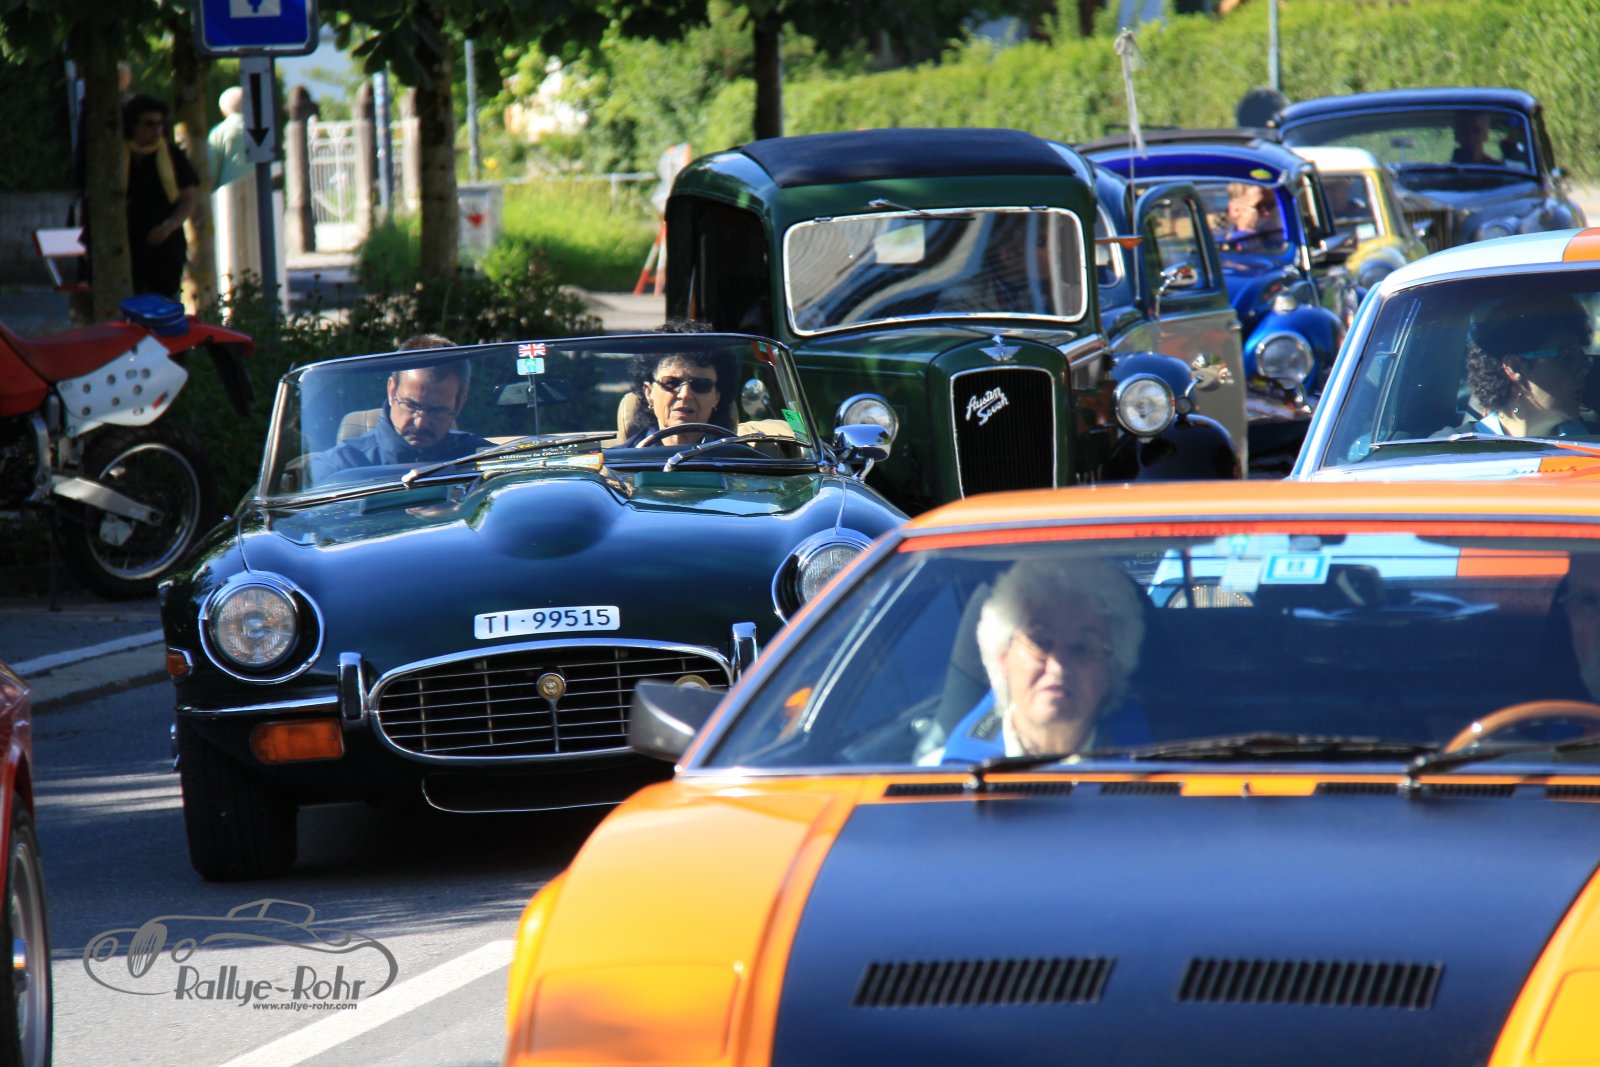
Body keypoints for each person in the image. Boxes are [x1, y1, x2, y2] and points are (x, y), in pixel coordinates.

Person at [930, 558, 1147, 762]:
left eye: (1082, 648)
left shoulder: (1154, 767)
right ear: (1004, 658)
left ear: (1110, 672)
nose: (1058, 667)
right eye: (1041, 643)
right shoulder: (946, 776)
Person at [306, 336, 492, 483]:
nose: (420, 423)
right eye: (411, 405)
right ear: (391, 390)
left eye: (437, 411)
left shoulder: (482, 460)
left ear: (459, 404)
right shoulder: (338, 466)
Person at [1463, 296, 1595, 438]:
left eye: (1582, 359)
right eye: (1566, 357)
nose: (1583, 371)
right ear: (1515, 367)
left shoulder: (1593, 442)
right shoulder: (1455, 447)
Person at [123, 94, 199, 300]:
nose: (156, 129)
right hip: (127, 244)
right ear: (133, 127)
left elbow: (188, 198)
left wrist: (168, 227)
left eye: (160, 124)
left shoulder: (172, 155)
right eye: (149, 124)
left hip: (165, 245)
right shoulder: (119, 155)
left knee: (164, 303)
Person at [621, 319, 739, 445]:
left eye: (701, 385)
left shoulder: (741, 456)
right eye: (671, 383)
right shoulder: (620, 457)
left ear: (716, 397)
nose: (685, 394)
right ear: (649, 393)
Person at [1220, 182, 1283, 251]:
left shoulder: (1284, 242)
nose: (1267, 213)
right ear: (1235, 210)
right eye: (1259, 206)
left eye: (1270, 205)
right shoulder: (1223, 247)